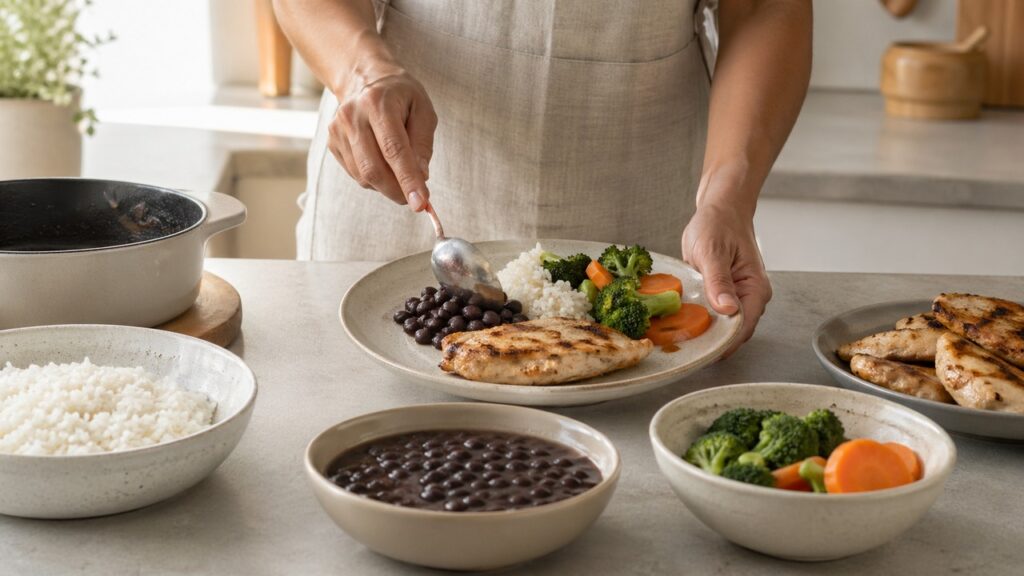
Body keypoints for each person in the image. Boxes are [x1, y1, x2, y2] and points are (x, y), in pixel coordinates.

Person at [276, 0, 812, 355]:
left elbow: (768, 7)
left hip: (643, 180)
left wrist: (728, 196)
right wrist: (359, 69)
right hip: (393, 160)